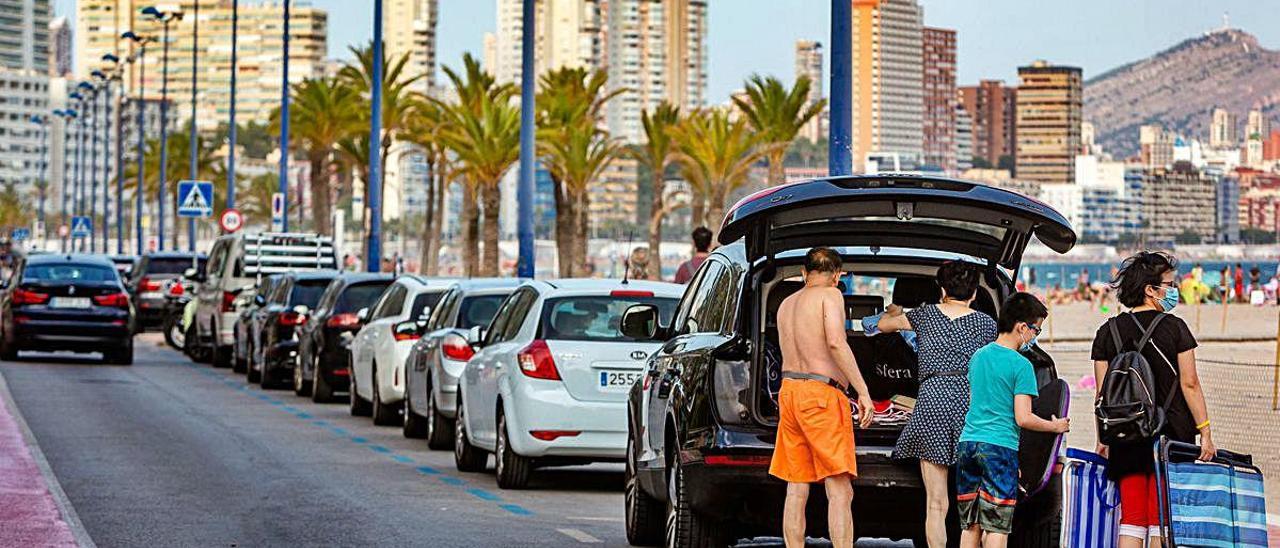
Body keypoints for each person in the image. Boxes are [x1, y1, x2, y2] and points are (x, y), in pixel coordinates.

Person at [1091, 251, 1215, 547]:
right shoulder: (1175, 328)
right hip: (1170, 434)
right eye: (1170, 284)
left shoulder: (1107, 332)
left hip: (1125, 433)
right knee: (1161, 518)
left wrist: (1104, 438)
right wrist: (1205, 431)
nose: (1174, 291)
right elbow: (1190, 383)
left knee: (1132, 517)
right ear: (1151, 289)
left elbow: (1102, 395)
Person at [877, 261, 997, 548]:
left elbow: (883, 326)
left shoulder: (925, 315)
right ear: (975, 293)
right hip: (971, 405)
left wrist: (895, 311)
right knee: (974, 501)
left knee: (935, 503)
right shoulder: (987, 324)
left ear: (942, 289)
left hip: (932, 400)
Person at [769, 247, 875, 548]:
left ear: (805, 273)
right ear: (837, 276)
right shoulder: (831, 295)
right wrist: (863, 391)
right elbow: (835, 343)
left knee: (796, 487)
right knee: (840, 489)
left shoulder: (786, 303)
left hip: (789, 393)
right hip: (821, 396)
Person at [956, 293, 1070, 548]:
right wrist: (1055, 426)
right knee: (997, 526)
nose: (1035, 336)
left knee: (971, 525)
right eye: (1036, 330)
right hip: (999, 448)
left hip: (968, 445)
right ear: (1022, 327)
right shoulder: (1021, 366)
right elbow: (1023, 417)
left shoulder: (978, 356)